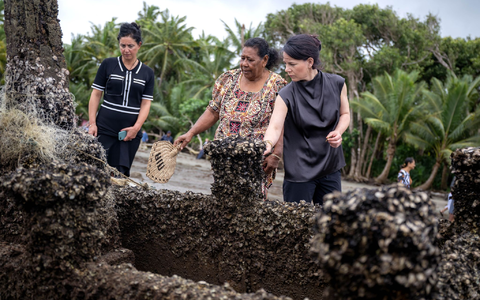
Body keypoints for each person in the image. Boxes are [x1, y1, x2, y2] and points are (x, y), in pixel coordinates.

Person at [175, 37, 288, 194]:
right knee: (223, 202)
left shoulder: (277, 85)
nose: (244, 64)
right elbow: (213, 111)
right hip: (224, 157)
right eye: (242, 58)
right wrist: (191, 133)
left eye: (250, 60)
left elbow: (283, 123)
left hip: (257, 159)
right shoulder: (228, 79)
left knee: (252, 203)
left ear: (264, 60)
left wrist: (276, 154)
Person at [262, 34, 350, 205]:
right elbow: (274, 127)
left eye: (292, 64)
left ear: (310, 62)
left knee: (330, 224)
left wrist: (338, 132)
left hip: (330, 168)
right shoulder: (286, 94)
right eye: (285, 63)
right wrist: (267, 144)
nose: (287, 69)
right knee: (294, 227)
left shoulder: (337, 83)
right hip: (299, 172)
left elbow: (345, 114)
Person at [87, 22, 154, 177]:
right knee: (96, 172)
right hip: (104, 128)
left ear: (139, 45)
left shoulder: (147, 73)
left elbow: (146, 103)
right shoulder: (108, 64)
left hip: (129, 134)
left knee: (120, 176)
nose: (126, 50)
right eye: (122, 45)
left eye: (130, 46)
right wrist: (92, 123)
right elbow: (96, 94)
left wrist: (136, 128)